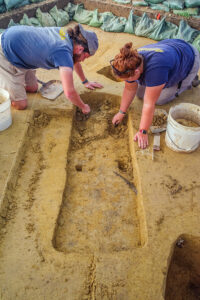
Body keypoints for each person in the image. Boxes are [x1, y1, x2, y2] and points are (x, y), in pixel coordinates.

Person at [111, 39, 200, 149]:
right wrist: (121, 112)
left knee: (159, 99)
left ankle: (189, 80)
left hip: (189, 59)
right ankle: (170, 76)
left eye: (126, 79)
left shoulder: (156, 69)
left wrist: (143, 131)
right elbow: (129, 89)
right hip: (173, 50)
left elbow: (149, 104)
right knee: (140, 94)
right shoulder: (131, 61)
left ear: (137, 72)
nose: (124, 81)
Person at [0, 24, 103, 111]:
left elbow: (75, 62)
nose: (83, 60)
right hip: (6, 53)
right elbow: (69, 92)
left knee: (33, 88)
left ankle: (14, 83)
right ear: (80, 49)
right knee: (21, 105)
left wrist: (85, 81)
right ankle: (4, 81)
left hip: (20, 48)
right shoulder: (63, 53)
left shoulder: (66, 35)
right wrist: (83, 106)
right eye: (85, 56)